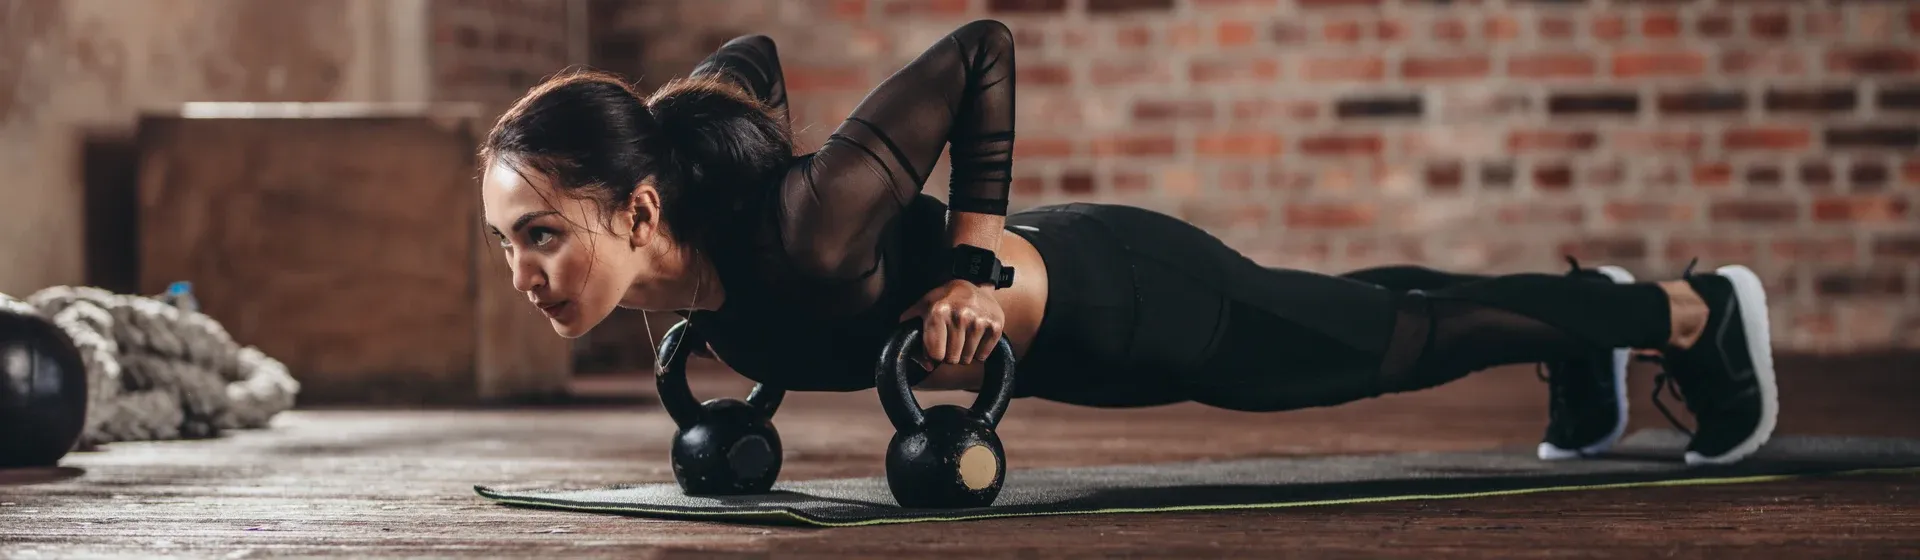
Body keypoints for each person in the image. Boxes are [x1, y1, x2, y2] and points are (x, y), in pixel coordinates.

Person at [476, 19, 1777, 466]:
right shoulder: (683, 280)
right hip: (1091, 343)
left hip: (1132, 296)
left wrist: (969, 264)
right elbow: (742, 66)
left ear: (632, 210)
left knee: (1388, 345)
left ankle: (1686, 311)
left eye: (538, 234)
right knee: (1358, 305)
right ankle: (1591, 314)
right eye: (504, 242)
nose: (523, 272)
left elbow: (984, 48)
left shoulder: (808, 235)